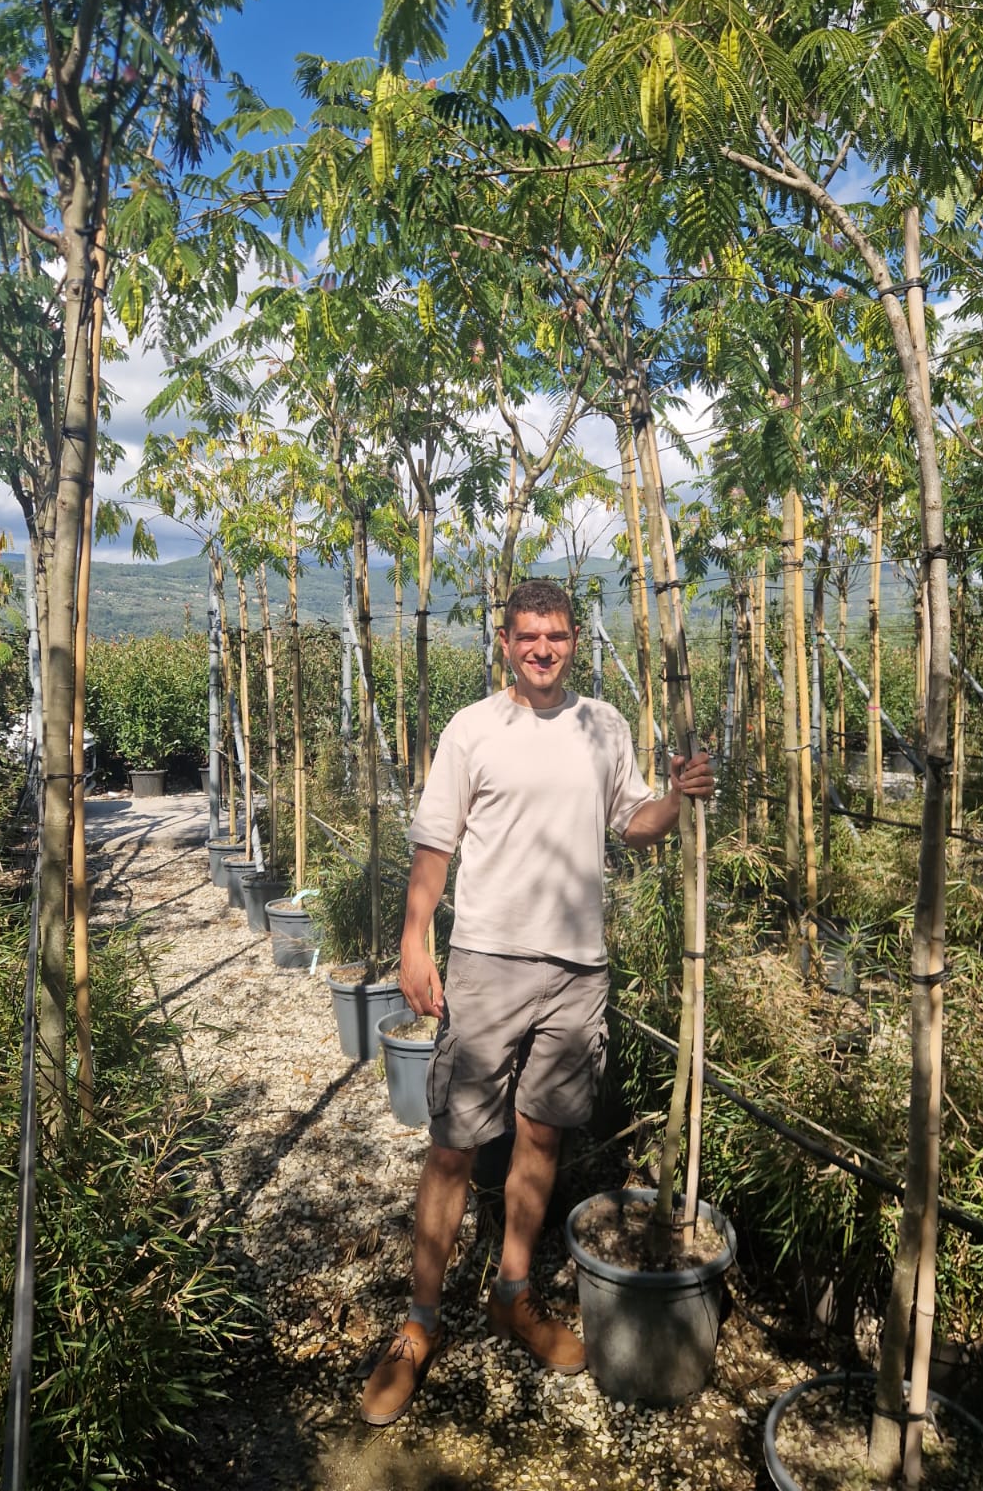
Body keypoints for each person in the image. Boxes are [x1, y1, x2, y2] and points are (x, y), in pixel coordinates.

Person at [360, 579, 714, 1426]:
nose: (544, 649)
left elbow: (631, 821)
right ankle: (417, 1325)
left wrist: (678, 796)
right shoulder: (474, 729)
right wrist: (415, 941)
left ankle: (512, 1293)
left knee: (543, 1131)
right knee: (451, 1146)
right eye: (529, 637)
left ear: (572, 642)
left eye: (557, 636)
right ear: (506, 641)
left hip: (578, 969)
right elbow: (435, 844)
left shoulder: (604, 726)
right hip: (487, 960)